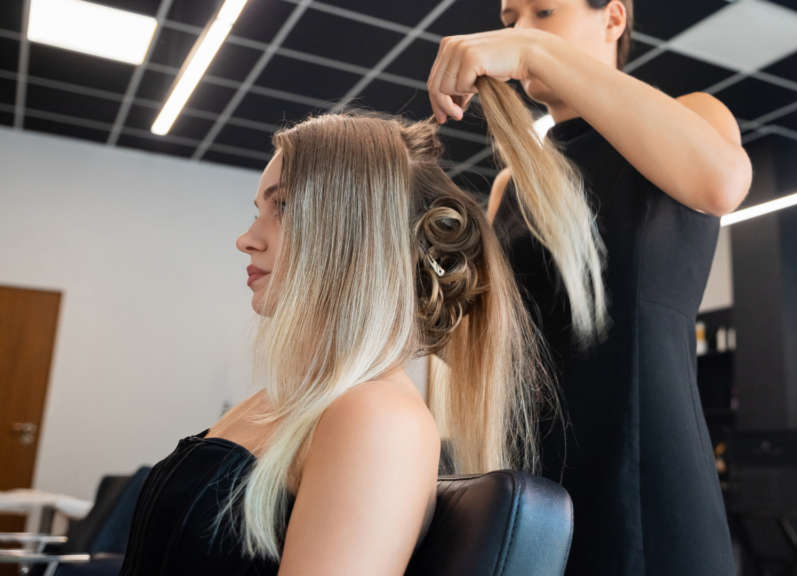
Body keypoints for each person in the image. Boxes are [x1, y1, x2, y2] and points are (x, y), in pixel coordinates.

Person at [117, 79, 589, 576]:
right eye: (257, 211)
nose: (246, 239)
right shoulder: (296, 398)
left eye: (284, 207)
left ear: (358, 232)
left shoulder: (377, 418)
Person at [426, 1, 753, 574]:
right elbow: (491, 348)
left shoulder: (693, 115)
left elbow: (723, 183)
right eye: (510, 20)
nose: (521, 31)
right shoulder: (513, 183)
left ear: (614, 18)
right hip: (538, 482)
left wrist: (530, 49)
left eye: (544, 12)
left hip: (646, 467)